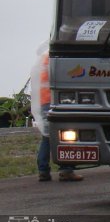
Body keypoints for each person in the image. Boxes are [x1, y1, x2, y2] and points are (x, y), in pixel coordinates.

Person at [31, 45, 83, 182]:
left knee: (47, 136)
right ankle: (66, 169)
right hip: (56, 99)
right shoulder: (56, 55)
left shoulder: (44, 57)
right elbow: (67, 74)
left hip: (44, 100)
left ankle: (43, 170)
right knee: (66, 134)